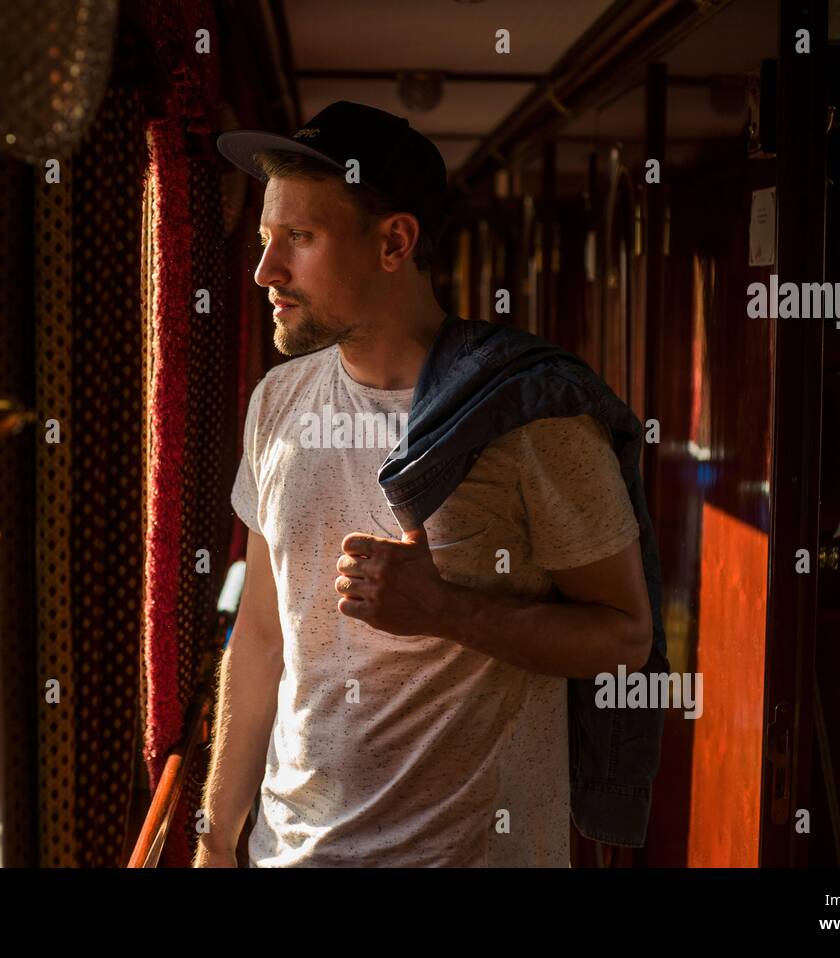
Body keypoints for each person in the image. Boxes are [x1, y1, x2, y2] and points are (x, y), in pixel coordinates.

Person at [195, 101, 654, 867]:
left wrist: (445, 610)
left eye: (299, 239)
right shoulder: (277, 400)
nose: (264, 270)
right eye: (267, 238)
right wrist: (214, 839)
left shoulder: (527, 415)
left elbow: (624, 639)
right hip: (288, 852)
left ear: (394, 242)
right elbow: (266, 635)